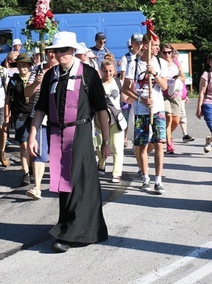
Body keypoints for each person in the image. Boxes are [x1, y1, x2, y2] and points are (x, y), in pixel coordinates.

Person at [28, 31, 110, 253]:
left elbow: (101, 109)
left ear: (73, 50)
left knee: (79, 180)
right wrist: (33, 134)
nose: (59, 54)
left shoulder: (89, 74)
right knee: (63, 180)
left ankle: (72, 232)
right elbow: (41, 108)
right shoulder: (50, 76)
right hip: (57, 133)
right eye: (55, 50)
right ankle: (69, 225)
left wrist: (106, 140)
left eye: (63, 50)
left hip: (81, 132)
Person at [121, 33, 168, 194]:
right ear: (147, 46)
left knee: (159, 143)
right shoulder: (133, 64)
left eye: (158, 46)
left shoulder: (161, 63)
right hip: (142, 110)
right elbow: (125, 88)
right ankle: (146, 177)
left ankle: (158, 179)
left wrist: (154, 73)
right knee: (142, 144)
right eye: (155, 45)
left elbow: (164, 87)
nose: (158, 49)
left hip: (158, 109)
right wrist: (141, 98)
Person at [25, 48, 57, 200]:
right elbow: (27, 92)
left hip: (58, 118)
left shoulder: (61, 70)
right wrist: (37, 82)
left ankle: (60, 184)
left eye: (54, 52)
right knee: (38, 152)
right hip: (40, 116)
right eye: (49, 52)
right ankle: (37, 187)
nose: (52, 55)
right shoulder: (37, 69)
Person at [4, 52, 35, 187]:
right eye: (20, 65)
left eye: (25, 65)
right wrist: (6, 117)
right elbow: (8, 100)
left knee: (32, 143)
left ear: (29, 66)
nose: (22, 67)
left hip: (33, 115)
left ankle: (32, 165)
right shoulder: (13, 80)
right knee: (23, 144)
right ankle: (25, 173)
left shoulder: (35, 79)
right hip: (19, 115)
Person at [101, 57, 128, 183]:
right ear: (102, 71)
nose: (108, 74)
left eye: (110, 71)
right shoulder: (98, 84)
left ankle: (116, 173)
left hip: (116, 118)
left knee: (117, 147)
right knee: (100, 144)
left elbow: (126, 97)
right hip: (100, 119)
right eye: (106, 71)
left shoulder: (118, 83)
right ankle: (101, 163)